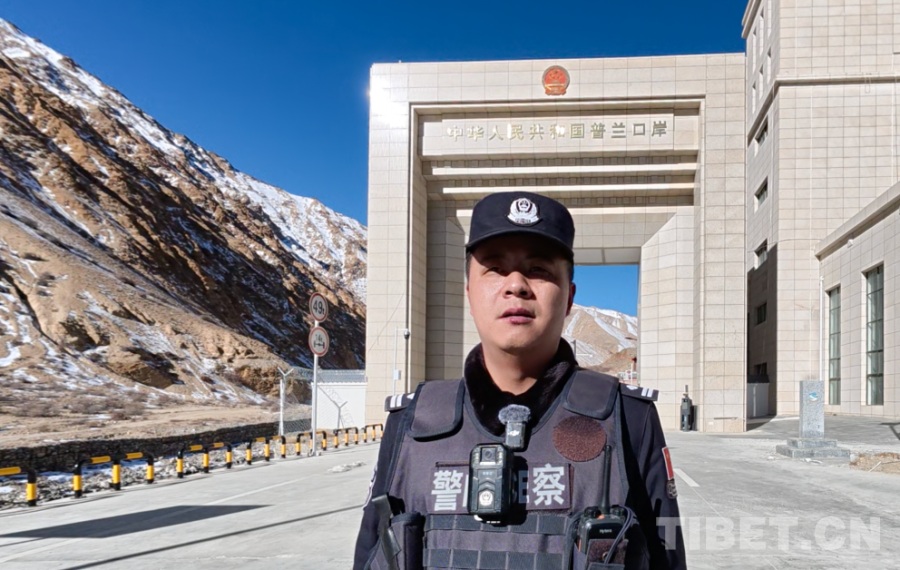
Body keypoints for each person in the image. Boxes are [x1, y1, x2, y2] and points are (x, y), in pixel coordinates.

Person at [354, 191, 686, 570]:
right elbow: (370, 553)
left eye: (539, 269)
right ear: (469, 292)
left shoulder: (630, 418)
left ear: (569, 297)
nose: (516, 285)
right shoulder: (412, 422)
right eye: (495, 268)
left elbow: (668, 553)